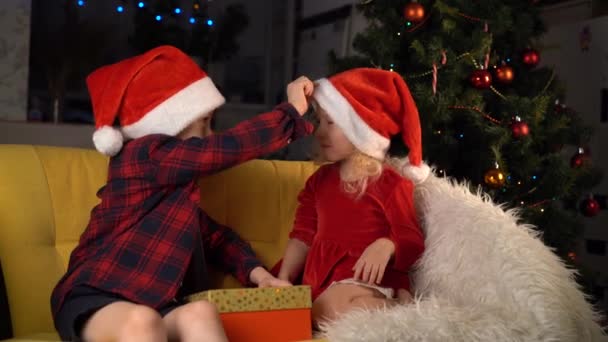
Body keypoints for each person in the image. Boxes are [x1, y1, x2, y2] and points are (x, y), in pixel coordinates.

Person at [50, 45, 314, 342]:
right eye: (204, 123)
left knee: (200, 313)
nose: (210, 134)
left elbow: (219, 240)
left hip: (157, 304)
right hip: (96, 294)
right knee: (142, 321)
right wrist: (290, 113)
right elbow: (220, 150)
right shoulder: (142, 155)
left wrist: (261, 276)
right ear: (170, 123)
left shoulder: (179, 201)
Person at [276, 68, 429, 324]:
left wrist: (386, 245)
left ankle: (399, 306)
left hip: (367, 282)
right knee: (311, 309)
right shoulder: (319, 181)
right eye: (320, 121)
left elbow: (411, 238)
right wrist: (282, 279)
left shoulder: (390, 183)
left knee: (331, 307)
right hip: (323, 282)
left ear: (361, 129)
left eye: (331, 123)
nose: (320, 132)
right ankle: (391, 311)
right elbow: (302, 236)